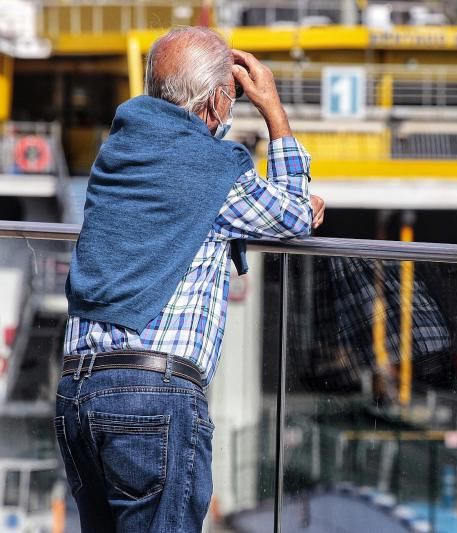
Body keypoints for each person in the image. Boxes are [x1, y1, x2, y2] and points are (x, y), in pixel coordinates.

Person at [54, 27, 324, 532]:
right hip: (152, 396)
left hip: (78, 388)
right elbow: (293, 216)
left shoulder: (118, 151)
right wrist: (273, 111)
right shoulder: (212, 168)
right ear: (219, 100)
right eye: (233, 95)